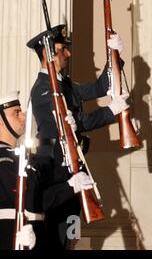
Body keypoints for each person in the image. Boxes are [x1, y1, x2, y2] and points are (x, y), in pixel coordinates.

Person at [27, 25, 130, 250]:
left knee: (73, 231)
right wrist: (109, 112)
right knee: (59, 232)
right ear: (47, 52)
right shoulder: (42, 90)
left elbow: (100, 87)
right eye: (63, 49)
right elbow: (69, 124)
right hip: (57, 170)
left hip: (74, 165)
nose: (69, 54)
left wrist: (115, 57)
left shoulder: (64, 83)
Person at [0, 91, 92, 250]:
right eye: (16, 113)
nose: (23, 116)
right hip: (10, 238)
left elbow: (59, 172)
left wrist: (67, 132)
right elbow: (33, 200)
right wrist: (70, 187)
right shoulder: (4, 160)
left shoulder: (26, 157)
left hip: (41, 236)